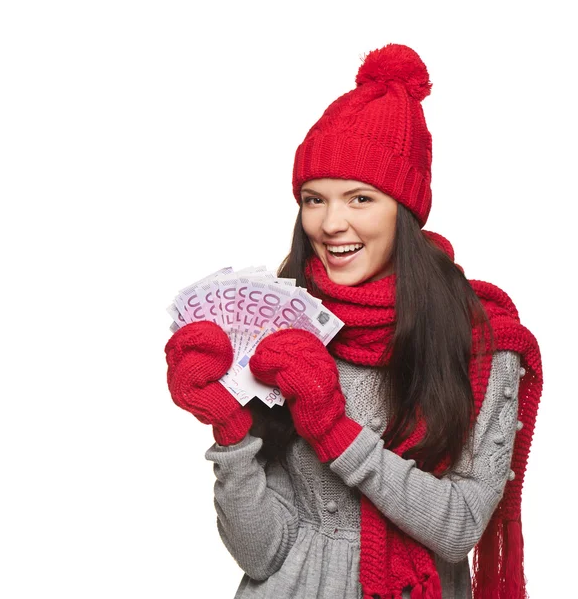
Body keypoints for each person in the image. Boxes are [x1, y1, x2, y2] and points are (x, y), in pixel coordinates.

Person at [164, 44, 543, 599]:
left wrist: (335, 430)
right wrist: (231, 428)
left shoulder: (481, 342)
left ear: (404, 209)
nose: (331, 223)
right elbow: (262, 551)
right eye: (314, 200)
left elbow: (459, 526)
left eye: (360, 198)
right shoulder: (283, 324)